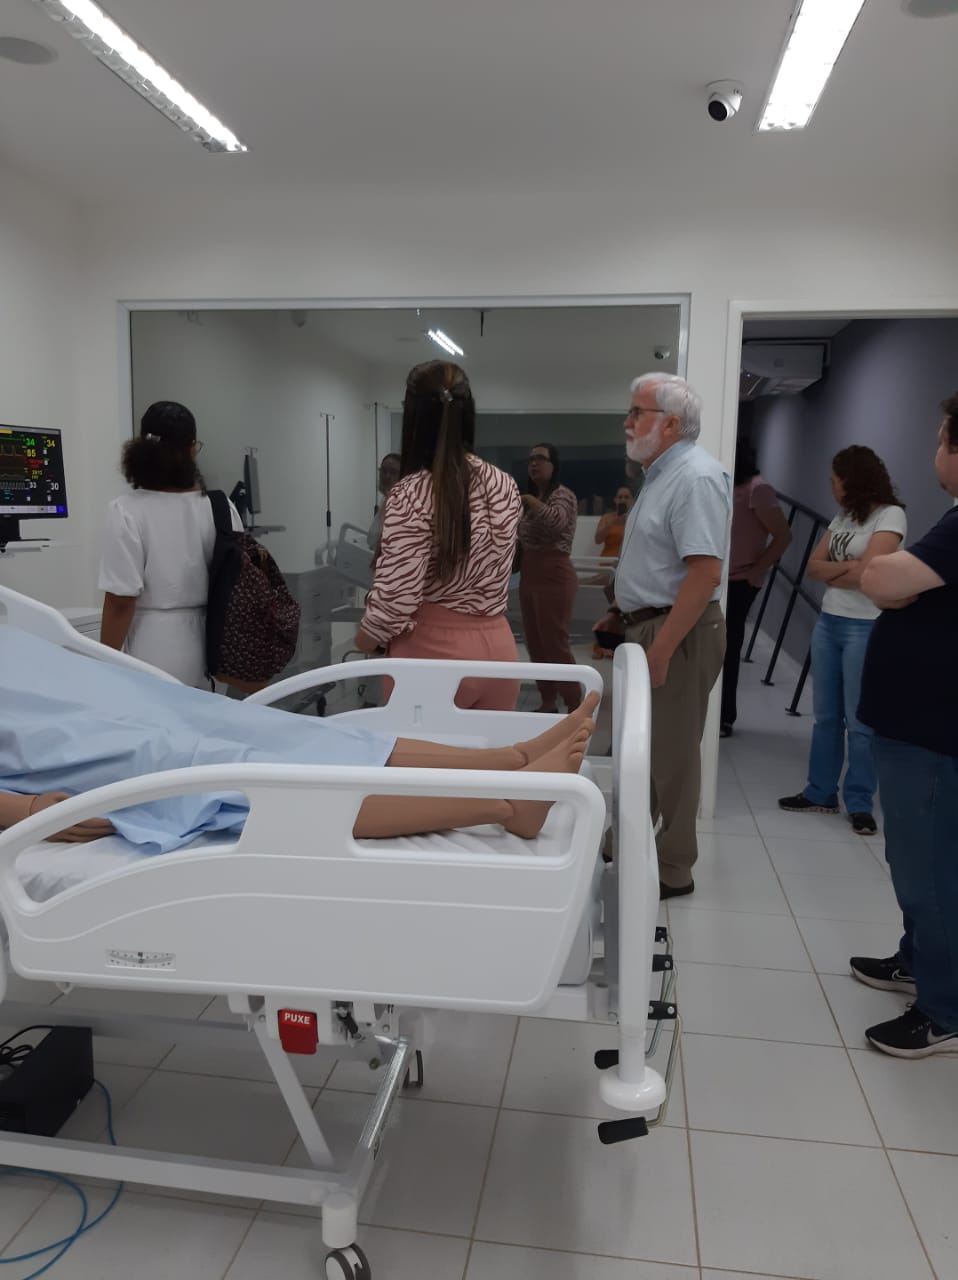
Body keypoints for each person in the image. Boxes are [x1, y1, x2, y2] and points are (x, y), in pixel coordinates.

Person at [0, 626, 598, 849]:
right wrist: (23, 811)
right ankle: (504, 804)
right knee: (220, 767)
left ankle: (507, 759)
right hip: (59, 746)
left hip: (107, 702)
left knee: (267, 726)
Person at [848, 395, 958, 1058]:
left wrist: (885, 580)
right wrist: (887, 582)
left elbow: (879, 576)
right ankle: (918, 962)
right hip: (918, 726)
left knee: (930, 873)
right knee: (916, 860)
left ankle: (944, 1009)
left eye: (942, 438)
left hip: (934, 733)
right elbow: (885, 581)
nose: (936, 449)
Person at [594, 373, 730, 898]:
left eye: (637, 413)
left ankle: (675, 866)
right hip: (645, 622)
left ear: (671, 424)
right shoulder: (659, 475)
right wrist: (618, 610)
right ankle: (625, 840)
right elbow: (652, 559)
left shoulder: (696, 477)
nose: (626, 423)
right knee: (641, 748)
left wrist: (663, 648)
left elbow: (704, 574)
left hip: (678, 629)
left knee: (672, 754)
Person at [354, 362, 522, 712]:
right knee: (491, 749)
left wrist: (365, 640)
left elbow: (396, 599)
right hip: (500, 651)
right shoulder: (505, 484)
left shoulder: (411, 493)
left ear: (413, 417)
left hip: (433, 655)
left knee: (420, 751)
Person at [778, 446, 906, 835]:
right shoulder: (845, 515)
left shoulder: (890, 515)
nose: (832, 488)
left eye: (835, 481)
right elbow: (812, 566)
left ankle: (860, 802)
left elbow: (870, 575)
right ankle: (820, 792)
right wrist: (851, 568)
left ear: (853, 481)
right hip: (829, 622)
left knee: (860, 720)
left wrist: (844, 569)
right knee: (826, 717)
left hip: (865, 626)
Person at [98, 401, 243, 688]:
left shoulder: (126, 511)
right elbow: (239, 581)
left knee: (155, 713)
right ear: (191, 449)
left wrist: (103, 665)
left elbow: (120, 604)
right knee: (204, 715)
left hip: (154, 646)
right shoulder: (221, 507)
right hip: (214, 644)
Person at [720, 439, 792, 737]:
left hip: (740, 581)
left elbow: (783, 536)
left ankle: (725, 717)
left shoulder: (757, 489)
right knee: (716, 647)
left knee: (728, 647)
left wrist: (756, 571)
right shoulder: (727, 485)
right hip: (720, 579)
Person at [518, 443, 581, 713]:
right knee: (535, 642)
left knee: (555, 642)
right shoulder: (534, 496)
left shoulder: (562, 495)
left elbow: (556, 523)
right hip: (530, 573)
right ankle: (547, 700)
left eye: (541, 459)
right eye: (531, 459)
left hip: (554, 573)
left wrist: (529, 501)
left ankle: (574, 703)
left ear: (554, 465)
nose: (534, 463)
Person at [367, 452, 401, 553]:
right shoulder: (386, 499)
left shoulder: (402, 504)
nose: (387, 476)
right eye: (384, 471)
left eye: (393, 472)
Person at [594, 485, 634, 558]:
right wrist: (612, 522)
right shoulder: (607, 517)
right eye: (620, 497)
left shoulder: (635, 518)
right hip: (607, 560)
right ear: (615, 500)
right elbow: (598, 540)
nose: (623, 500)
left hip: (628, 560)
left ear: (632, 500)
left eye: (626, 497)